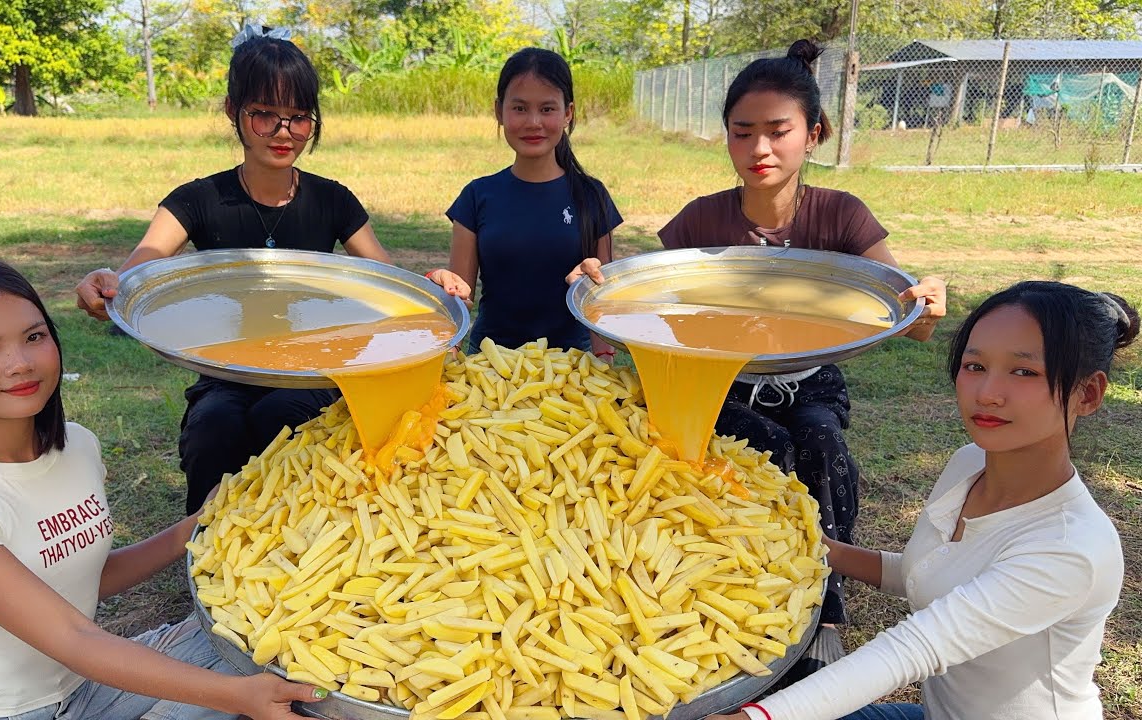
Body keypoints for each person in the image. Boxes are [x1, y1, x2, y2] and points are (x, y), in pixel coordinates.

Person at [578, 39, 946, 659]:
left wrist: (927, 301)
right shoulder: (700, 221)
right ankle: (744, 594)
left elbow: (909, 318)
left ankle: (822, 612)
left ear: (814, 133)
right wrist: (601, 284)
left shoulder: (842, 216)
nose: (760, 150)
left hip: (809, 377)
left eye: (778, 131)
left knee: (821, 446)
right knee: (764, 451)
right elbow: (654, 299)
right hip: (716, 380)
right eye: (742, 133)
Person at [0, 258, 327, 720]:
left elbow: (81, 578)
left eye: (34, 337)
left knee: (272, 649)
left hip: (87, 688)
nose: (19, 364)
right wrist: (237, 698)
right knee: (241, 684)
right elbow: (73, 638)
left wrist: (203, 522)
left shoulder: (77, 446)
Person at [74, 25, 462, 513]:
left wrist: (431, 285)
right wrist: (108, 281)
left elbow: (385, 280)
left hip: (314, 368)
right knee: (213, 428)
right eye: (265, 115)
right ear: (233, 112)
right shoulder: (198, 198)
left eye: (299, 118)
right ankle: (204, 553)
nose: (284, 133)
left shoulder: (333, 200)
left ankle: (289, 553)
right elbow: (143, 263)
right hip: (225, 366)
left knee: (282, 417)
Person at [708, 280, 1134, 720]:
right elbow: (931, 574)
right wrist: (813, 548)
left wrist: (756, 718)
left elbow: (916, 647)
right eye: (974, 366)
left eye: (1024, 372)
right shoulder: (970, 464)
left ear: (1087, 394)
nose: (987, 392)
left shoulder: (1069, 548)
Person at [425, 47, 623, 358]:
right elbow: (458, 299)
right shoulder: (477, 196)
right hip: (490, 364)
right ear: (499, 111)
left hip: (572, 366)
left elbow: (603, 299)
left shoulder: (592, 196)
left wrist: (604, 361)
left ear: (568, 113)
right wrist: (450, 359)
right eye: (519, 108)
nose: (533, 122)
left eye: (547, 109)